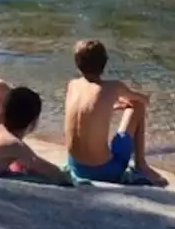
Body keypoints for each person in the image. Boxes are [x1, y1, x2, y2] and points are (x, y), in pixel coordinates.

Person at [63, 39, 165, 185]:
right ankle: (141, 165)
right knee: (137, 105)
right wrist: (147, 97)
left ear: (77, 63)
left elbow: (87, 108)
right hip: (105, 171)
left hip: (76, 166)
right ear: (104, 63)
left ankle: (138, 164)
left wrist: (110, 106)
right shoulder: (114, 87)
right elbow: (142, 100)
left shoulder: (72, 85)